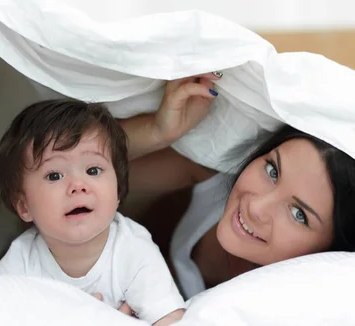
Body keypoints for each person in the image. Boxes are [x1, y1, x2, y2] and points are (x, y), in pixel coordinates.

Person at [125, 79, 355, 299]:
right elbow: (96, 175)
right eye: (272, 171)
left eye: (298, 214)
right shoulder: (203, 178)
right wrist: (156, 131)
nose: (256, 206)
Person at [0, 99, 187, 326]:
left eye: (93, 170)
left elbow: (171, 325)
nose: (78, 185)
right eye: (54, 176)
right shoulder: (23, 259)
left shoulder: (133, 250)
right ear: (24, 207)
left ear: (118, 192)